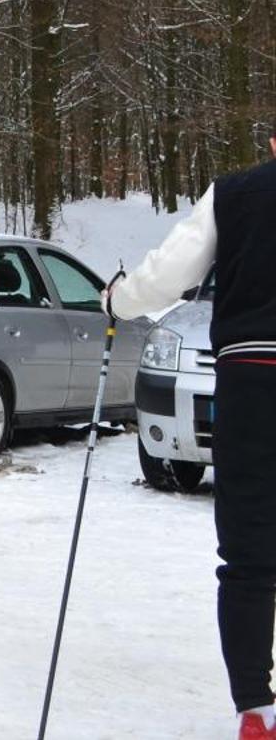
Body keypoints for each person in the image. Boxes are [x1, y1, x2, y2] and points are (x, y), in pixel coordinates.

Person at [104, 125, 276, 740]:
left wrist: (118, 300)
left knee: (252, 550)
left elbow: (166, 276)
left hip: (254, 378)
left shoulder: (234, 194)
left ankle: (258, 711)